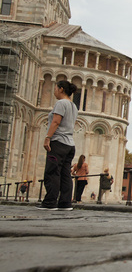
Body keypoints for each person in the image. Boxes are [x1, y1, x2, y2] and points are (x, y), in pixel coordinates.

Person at [40, 80, 77, 209]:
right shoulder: (73, 106)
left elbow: (56, 121)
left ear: (61, 89)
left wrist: (47, 138)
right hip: (70, 145)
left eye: (55, 88)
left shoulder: (61, 103)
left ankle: (50, 202)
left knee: (52, 172)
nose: (54, 91)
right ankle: (65, 203)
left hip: (58, 143)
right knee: (65, 174)